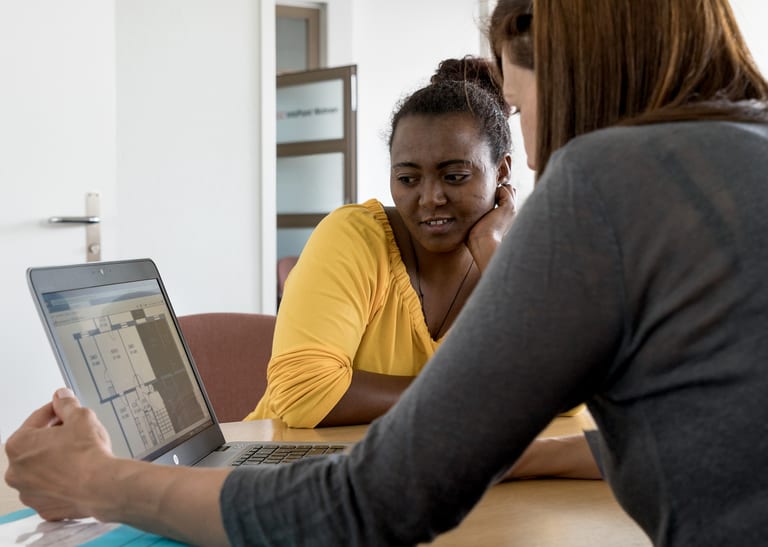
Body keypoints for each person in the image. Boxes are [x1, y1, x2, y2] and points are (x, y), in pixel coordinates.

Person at [6, 0, 768, 545]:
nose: (534, 139)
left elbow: (371, 504)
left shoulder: (609, 180)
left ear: (573, 73)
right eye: (409, 174)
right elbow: (706, 422)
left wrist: (100, 484)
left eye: (521, 101)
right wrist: (496, 441)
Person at [247, 55, 519, 428]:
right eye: (408, 179)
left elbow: (570, 392)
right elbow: (304, 393)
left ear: (502, 171)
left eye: (455, 176)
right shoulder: (353, 238)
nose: (429, 198)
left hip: (414, 474)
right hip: (285, 466)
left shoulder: (521, 254)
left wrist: (490, 246)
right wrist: (468, 393)